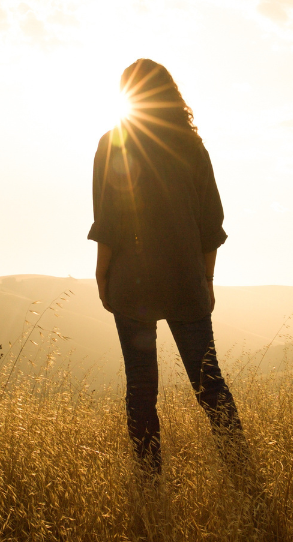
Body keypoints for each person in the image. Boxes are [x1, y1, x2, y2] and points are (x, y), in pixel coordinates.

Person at [88, 58, 250, 476]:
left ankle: (149, 483)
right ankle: (242, 472)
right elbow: (211, 225)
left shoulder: (113, 143)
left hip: (132, 283)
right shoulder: (192, 148)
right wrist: (207, 280)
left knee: (141, 390)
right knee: (210, 385)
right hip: (184, 282)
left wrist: (102, 275)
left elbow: (108, 220)